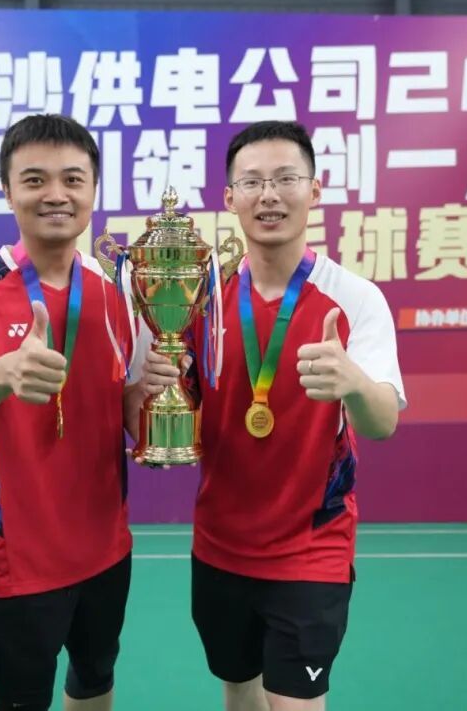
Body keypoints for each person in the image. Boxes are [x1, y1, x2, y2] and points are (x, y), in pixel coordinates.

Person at [144, 120, 407, 711]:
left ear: (314, 191)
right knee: (240, 693)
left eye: (286, 178)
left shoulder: (355, 298)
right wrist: (156, 385)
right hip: (219, 546)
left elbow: (382, 421)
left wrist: (353, 382)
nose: (269, 195)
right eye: (253, 182)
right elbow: (174, 408)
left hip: (311, 547)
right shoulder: (198, 300)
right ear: (229, 197)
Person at [0, 114, 171, 711]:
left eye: (72, 179)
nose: (56, 194)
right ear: (7, 190)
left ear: (93, 190)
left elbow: (123, 406)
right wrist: (6, 372)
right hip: (19, 561)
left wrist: (147, 404)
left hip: (107, 549)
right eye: (35, 180)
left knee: (94, 682)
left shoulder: (119, 289)